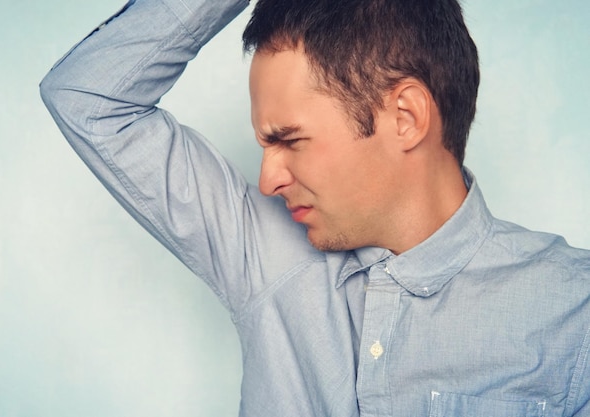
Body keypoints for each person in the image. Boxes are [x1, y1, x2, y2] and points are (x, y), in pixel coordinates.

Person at [40, 0, 590, 415]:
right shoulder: (258, 251)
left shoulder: (573, 312)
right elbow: (89, 99)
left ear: (405, 117)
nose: (267, 179)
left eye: (290, 140)